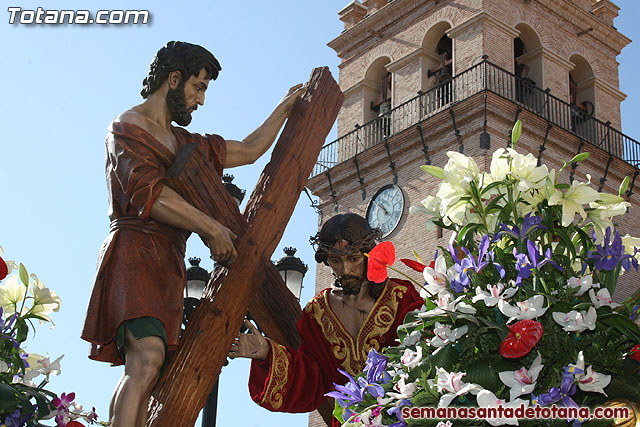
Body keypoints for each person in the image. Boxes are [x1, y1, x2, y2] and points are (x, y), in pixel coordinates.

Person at [80, 41, 304, 427]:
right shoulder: (128, 127)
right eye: (197, 88)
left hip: (168, 262)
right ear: (173, 78)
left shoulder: (186, 143)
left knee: (153, 368)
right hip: (135, 252)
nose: (200, 101)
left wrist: (283, 110)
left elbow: (249, 150)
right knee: (146, 358)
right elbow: (147, 193)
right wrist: (211, 226)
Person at [228, 213, 424, 426]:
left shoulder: (401, 296)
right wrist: (266, 351)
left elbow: (426, 352)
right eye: (336, 261)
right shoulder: (317, 312)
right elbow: (311, 380)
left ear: (369, 254)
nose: (346, 270)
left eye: (353, 259)